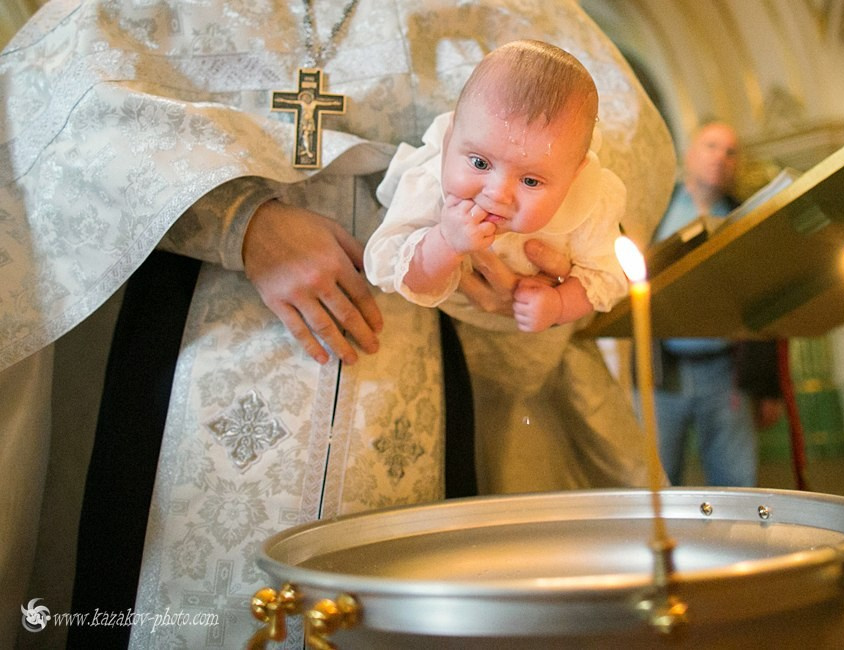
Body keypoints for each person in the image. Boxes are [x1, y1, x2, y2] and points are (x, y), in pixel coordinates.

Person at [0, 1, 675, 648]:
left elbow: (615, 139)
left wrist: (538, 254)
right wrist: (240, 222)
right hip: (203, 336)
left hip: (411, 355)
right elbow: (48, 96)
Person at [364, 40, 645, 493]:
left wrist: (558, 302)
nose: (497, 193)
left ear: (573, 178)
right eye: (479, 162)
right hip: (438, 339)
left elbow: (610, 275)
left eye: (531, 180)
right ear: (451, 138)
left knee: (519, 463)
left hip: (532, 353)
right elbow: (392, 268)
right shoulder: (429, 178)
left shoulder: (588, 202)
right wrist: (444, 242)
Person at [647, 120, 784, 487]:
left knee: (738, 483)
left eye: (730, 151)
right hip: (662, 373)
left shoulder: (745, 216)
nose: (720, 158)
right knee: (658, 484)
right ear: (690, 154)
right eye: (711, 146)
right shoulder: (655, 210)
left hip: (727, 373)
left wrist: (769, 387)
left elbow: (765, 302)